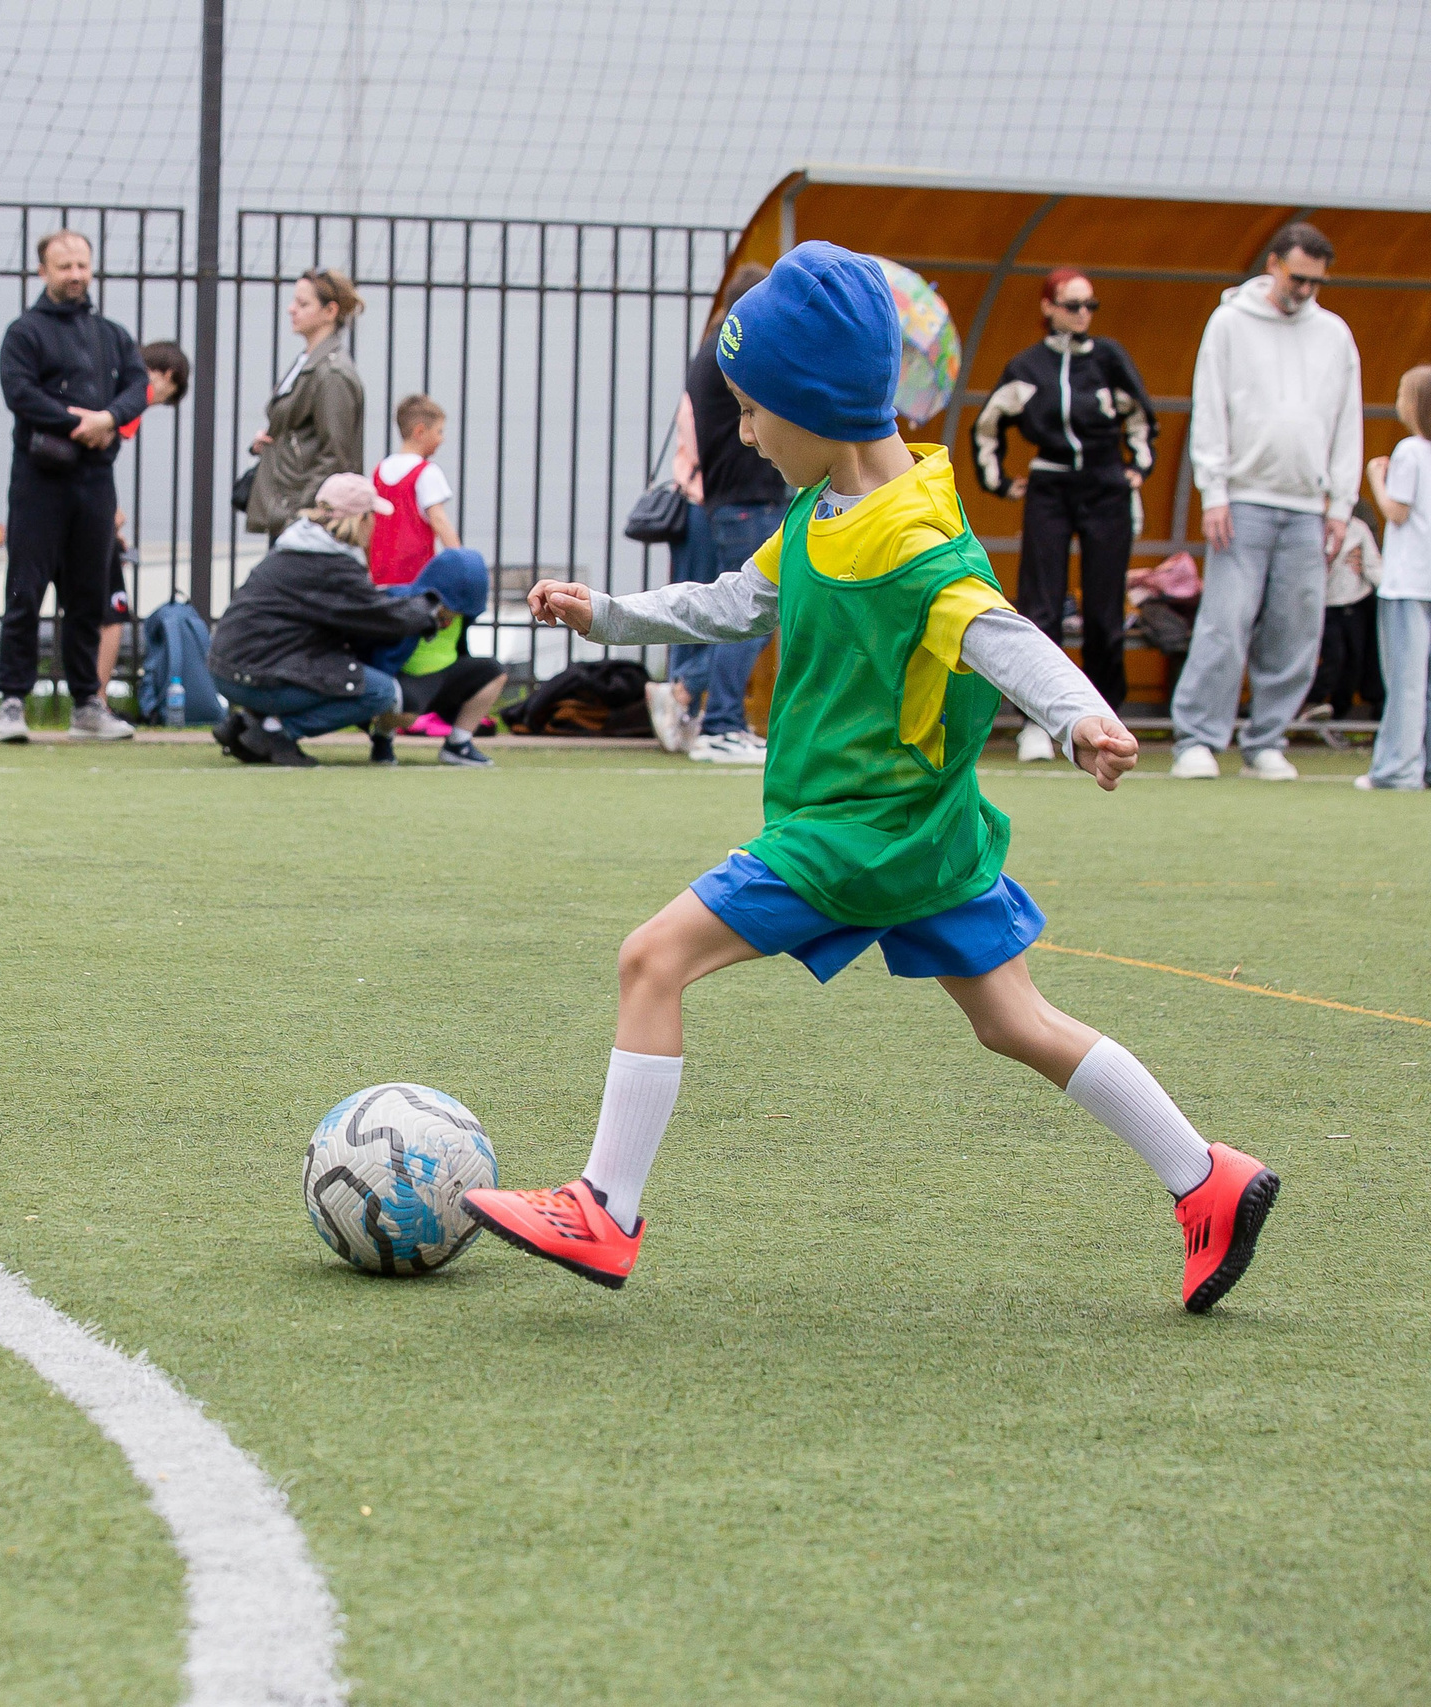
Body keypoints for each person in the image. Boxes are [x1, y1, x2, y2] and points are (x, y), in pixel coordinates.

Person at [464, 241, 1277, 1317]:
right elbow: (734, 603)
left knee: (651, 959)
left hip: (853, 836)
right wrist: (608, 614)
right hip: (929, 836)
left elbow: (999, 630)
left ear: (816, 407)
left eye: (753, 411)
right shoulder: (826, 513)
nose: (744, 433)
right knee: (1014, 1021)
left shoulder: (913, 542)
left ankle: (604, 1209)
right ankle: (1207, 1178)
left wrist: (1079, 715)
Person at [1170, 223, 1363, 781]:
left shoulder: (1335, 335)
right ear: (1274, 264)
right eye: (1298, 277)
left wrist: (1340, 505)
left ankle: (1266, 739)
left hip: (1308, 506)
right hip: (1242, 500)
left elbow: (1347, 421)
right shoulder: (1229, 322)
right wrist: (1214, 491)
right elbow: (1210, 407)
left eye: (1316, 282)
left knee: (1297, 628)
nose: (1305, 290)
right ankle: (1197, 738)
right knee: (1224, 622)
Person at [973, 268, 1159, 757]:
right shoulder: (1026, 366)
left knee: (1104, 610)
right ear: (1049, 307)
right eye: (1073, 305)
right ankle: (1037, 723)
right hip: (1050, 485)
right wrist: (998, 482)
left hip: (1106, 485)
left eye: (1089, 305)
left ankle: (1106, 717)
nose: (1082, 314)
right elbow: (988, 425)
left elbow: (1141, 416)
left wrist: (1138, 466)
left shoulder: (1110, 358)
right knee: (1041, 606)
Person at [0, 229, 149, 744]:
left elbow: (138, 386)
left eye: (82, 264)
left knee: (88, 595)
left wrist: (109, 418)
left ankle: (87, 704)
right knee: (25, 589)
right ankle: (12, 701)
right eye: (65, 266)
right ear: (43, 272)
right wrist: (77, 422)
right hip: (38, 481)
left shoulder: (112, 334)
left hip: (96, 481)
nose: (76, 275)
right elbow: (19, 392)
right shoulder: (25, 332)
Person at [646, 264, 785, 767]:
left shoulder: (716, 350)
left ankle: (700, 705)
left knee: (743, 610)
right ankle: (717, 718)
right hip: (746, 500)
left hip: (736, 500)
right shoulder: (735, 352)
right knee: (753, 614)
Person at [207, 472, 442, 768]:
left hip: (228, 668)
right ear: (359, 519)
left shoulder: (296, 549)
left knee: (331, 667)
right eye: (372, 516)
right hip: (255, 675)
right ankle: (276, 732)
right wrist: (429, 610)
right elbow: (383, 617)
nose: (375, 524)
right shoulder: (330, 565)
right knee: (381, 692)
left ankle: (251, 722)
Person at [96, 340, 191, 702]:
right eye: (166, 397)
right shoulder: (128, 401)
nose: (153, 404)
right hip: (88, 512)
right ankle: (97, 700)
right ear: (167, 376)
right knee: (112, 614)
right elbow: (97, 457)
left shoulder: (105, 385)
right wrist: (107, 513)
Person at [242, 270, 366, 540]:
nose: (291, 309)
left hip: (306, 524)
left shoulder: (332, 373)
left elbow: (336, 457)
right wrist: (276, 438)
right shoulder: (308, 362)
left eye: (303, 303)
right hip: (292, 516)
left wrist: (300, 514)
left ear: (330, 311)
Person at [1359, 365, 1431, 791]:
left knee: (1405, 681)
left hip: (1408, 581)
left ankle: (1395, 769)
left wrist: (1376, 478)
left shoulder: (1410, 451)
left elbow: (1397, 511)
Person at [369, 547, 504, 766]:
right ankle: (383, 735)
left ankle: (458, 744)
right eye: (454, 607)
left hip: (445, 675)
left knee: (494, 671)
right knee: (406, 714)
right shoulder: (401, 601)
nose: (456, 614)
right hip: (405, 678)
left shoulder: (463, 612)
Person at [366, 394, 462, 587]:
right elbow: (439, 520)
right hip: (417, 578)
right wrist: (461, 564)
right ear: (420, 432)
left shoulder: (379, 470)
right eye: (439, 431)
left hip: (381, 576)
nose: (442, 439)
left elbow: (370, 522)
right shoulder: (426, 472)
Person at [1308, 519, 1381, 725]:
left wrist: (1389, 592)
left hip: (1355, 603)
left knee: (1354, 661)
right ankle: (1311, 702)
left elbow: (1373, 565)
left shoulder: (1358, 528)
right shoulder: (1309, 525)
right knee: (1334, 656)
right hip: (1323, 605)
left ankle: (1338, 713)